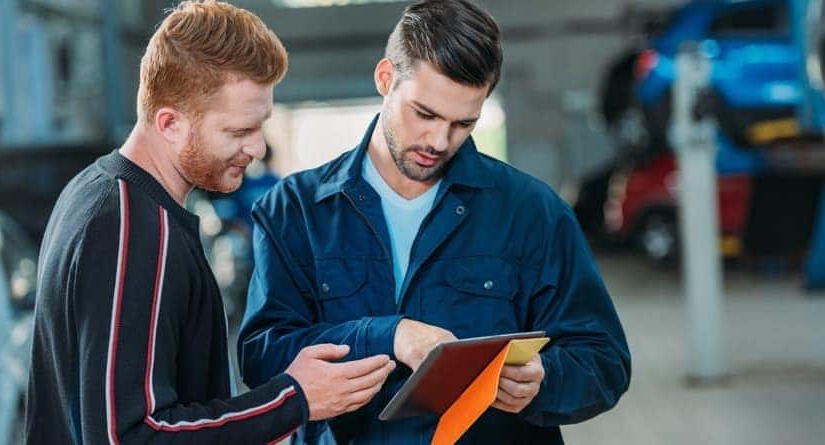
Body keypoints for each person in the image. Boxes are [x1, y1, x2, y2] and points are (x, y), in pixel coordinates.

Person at [237, 1, 631, 443]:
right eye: (424, 114)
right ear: (386, 78)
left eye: (464, 123)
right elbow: (263, 356)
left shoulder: (533, 212)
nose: (439, 141)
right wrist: (387, 336)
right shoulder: (294, 211)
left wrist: (545, 380)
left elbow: (604, 359)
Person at [24, 2, 395, 444]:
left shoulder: (105, 194)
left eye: (261, 126)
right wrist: (292, 400)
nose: (257, 148)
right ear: (170, 123)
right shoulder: (130, 227)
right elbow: (131, 435)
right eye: (238, 132)